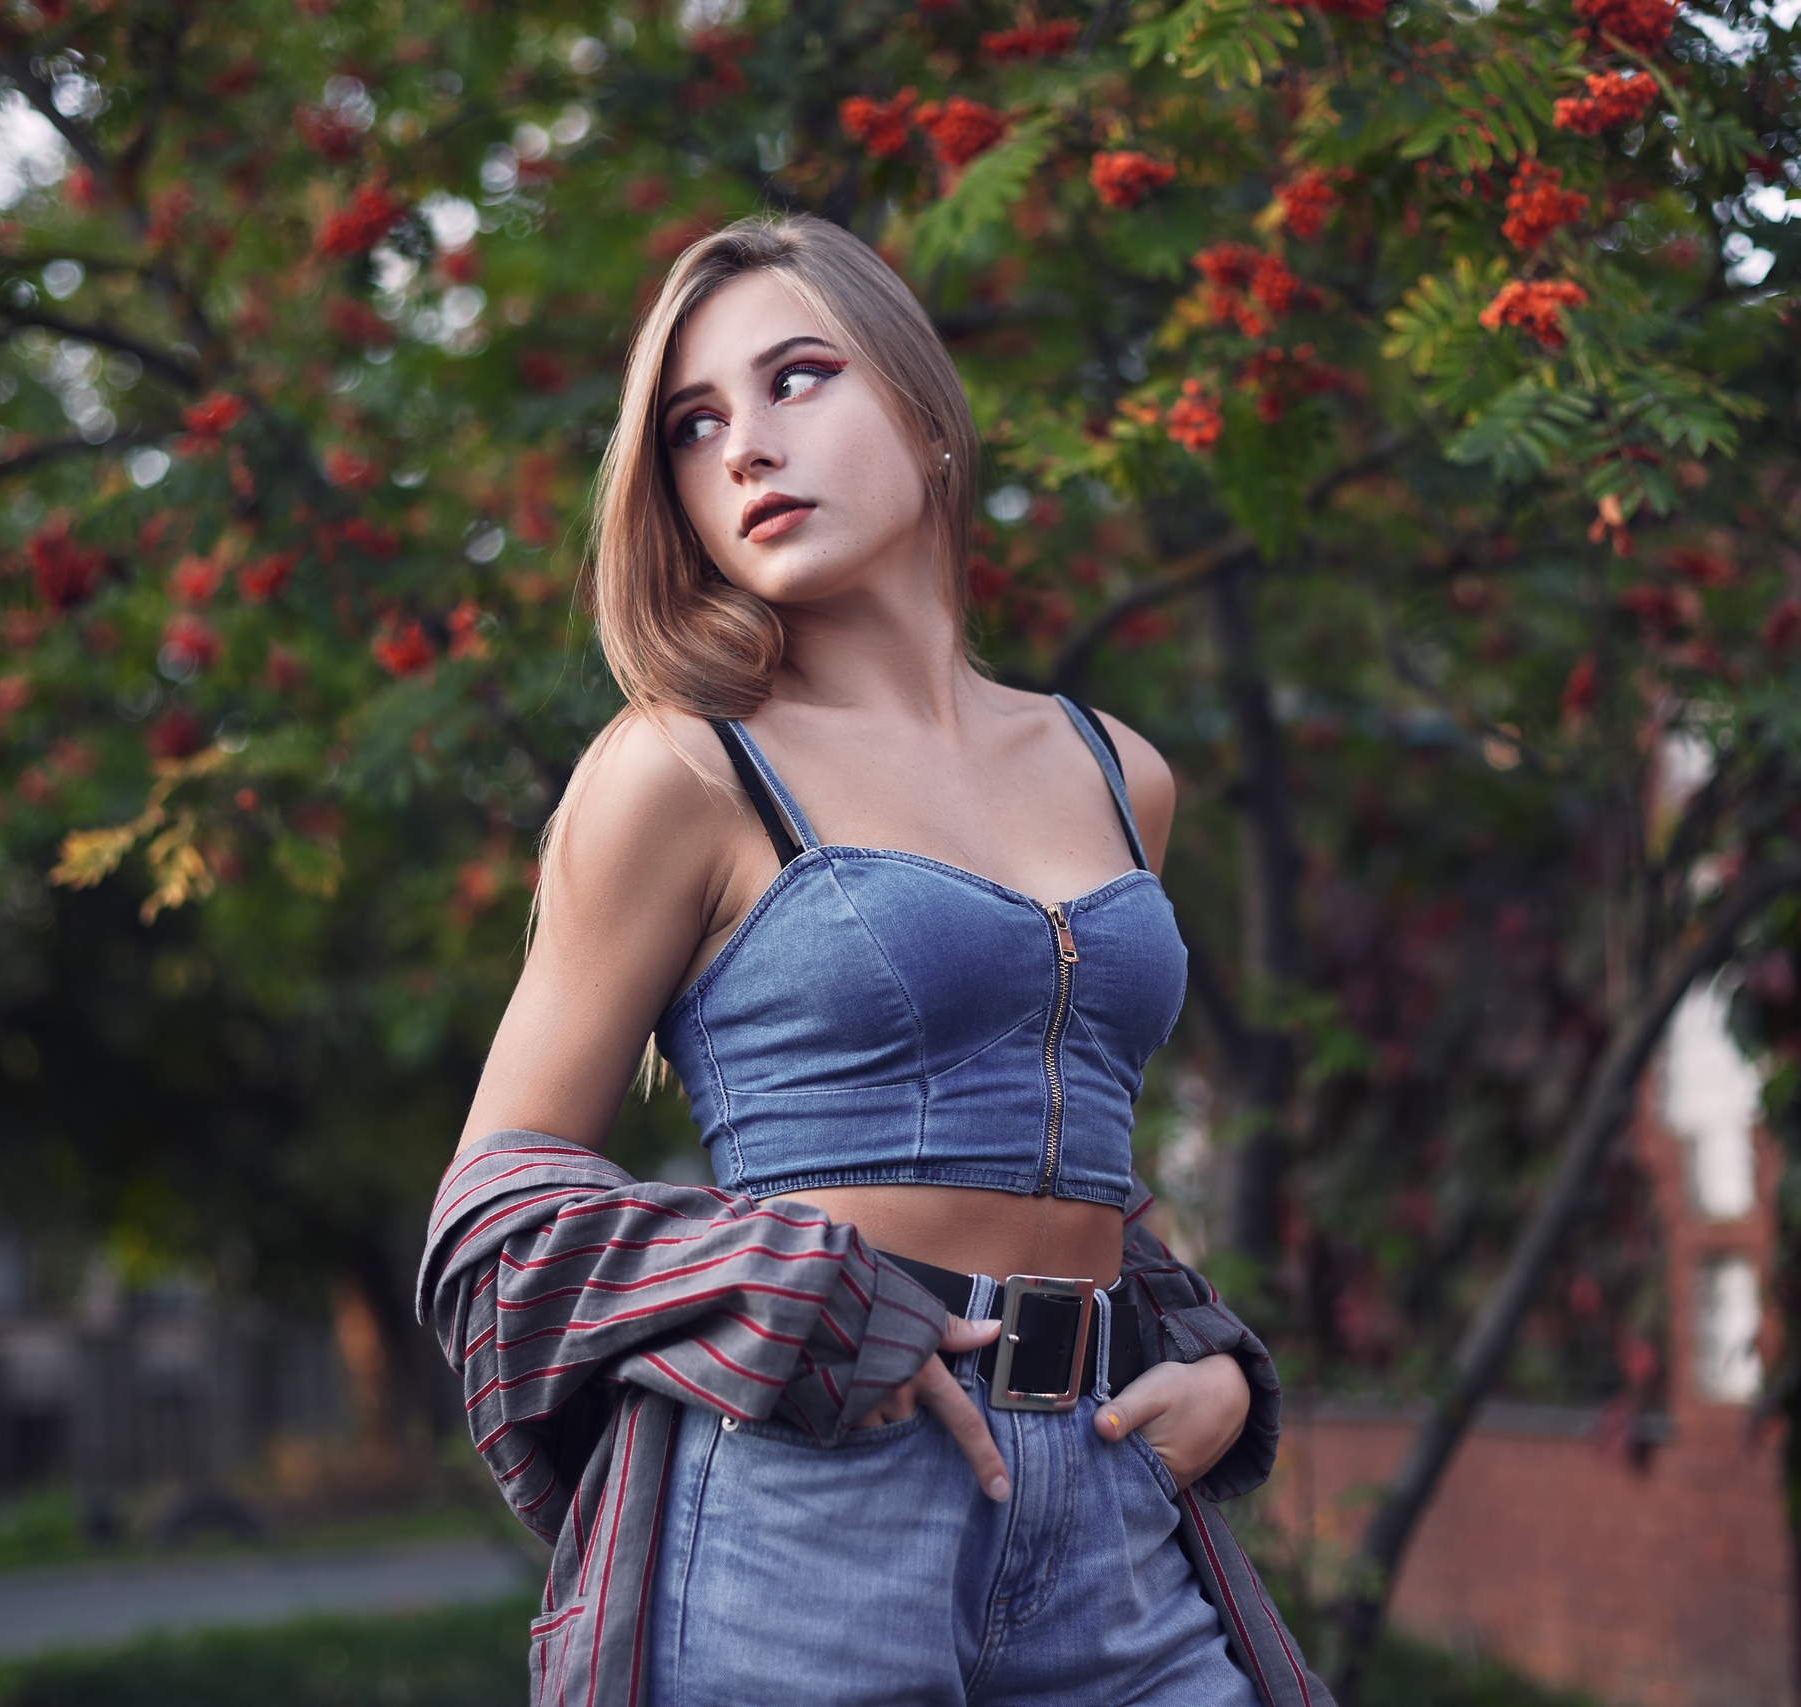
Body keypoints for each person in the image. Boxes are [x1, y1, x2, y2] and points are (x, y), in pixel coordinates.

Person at [419, 215, 1331, 1707]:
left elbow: (1067, 1147)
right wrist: (806, 1293)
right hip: (812, 1500)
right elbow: (495, 1221)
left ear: (925, 411)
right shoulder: (682, 770)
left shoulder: (1118, 772)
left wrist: (1213, 1357)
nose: (745, 450)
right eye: (694, 425)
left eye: (798, 379)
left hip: (1107, 1494)